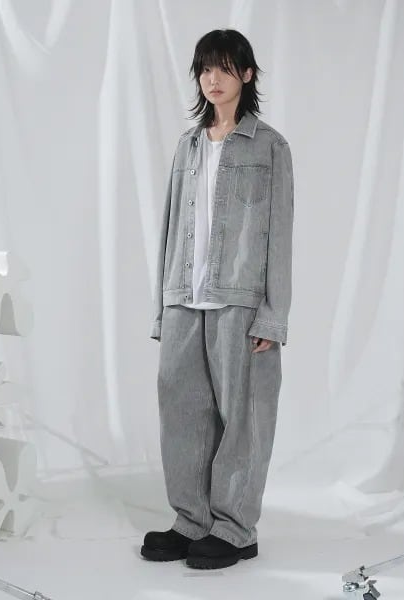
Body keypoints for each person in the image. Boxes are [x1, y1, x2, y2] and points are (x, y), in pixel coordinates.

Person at [141, 28, 294, 570]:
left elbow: (279, 234)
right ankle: (191, 521)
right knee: (181, 411)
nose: (213, 79)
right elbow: (169, 228)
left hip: (241, 300)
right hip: (185, 296)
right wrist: (163, 307)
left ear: (246, 75)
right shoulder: (187, 145)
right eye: (206, 69)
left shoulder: (270, 146)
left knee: (244, 417)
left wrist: (273, 315)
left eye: (225, 68)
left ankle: (235, 528)